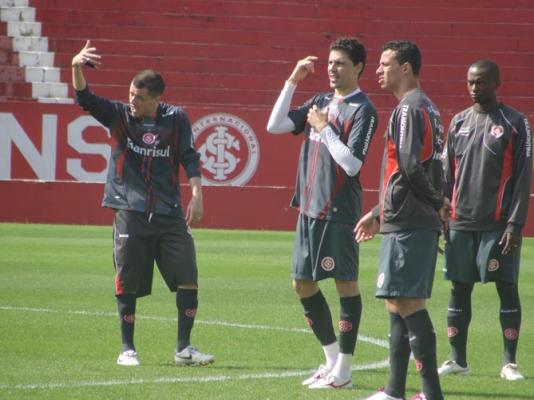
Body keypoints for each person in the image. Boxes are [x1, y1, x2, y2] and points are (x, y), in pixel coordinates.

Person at [71, 40, 214, 367]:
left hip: (169, 212)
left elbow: (189, 156)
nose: (132, 101)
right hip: (129, 210)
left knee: (188, 277)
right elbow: (85, 98)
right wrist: (76, 66)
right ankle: (127, 349)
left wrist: (197, 194)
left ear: (156, 99)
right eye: (130, 94)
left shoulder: (176, 119)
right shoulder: (119, 115)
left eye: (139, 97)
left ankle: (184, 350)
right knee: (128, 281)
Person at [267, 37, 378, 389]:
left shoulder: (363, 110)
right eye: (330, 62)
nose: (332, 68)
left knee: (345, 285)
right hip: (308, 209)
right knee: (301, 283)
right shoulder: (319, 101)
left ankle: (344, 370)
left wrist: (323, 129)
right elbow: (275, 125)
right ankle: (330, 360)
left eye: (340, 63)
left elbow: (352, 164)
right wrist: (292, 81)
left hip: (338, 211)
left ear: (358, 67)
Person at [355, 40, 449, 400]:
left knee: (408, 303)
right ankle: (394, 391)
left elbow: (409, 166)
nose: (378, 70)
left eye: (385, 64)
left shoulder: (409, 108)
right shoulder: (427, 108)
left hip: (410, 220)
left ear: (405, 68)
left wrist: (437, 202)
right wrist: (379, 213)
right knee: (395, 302)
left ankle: (430, 393)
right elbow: (415, 167)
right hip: (406, 217)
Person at [438, 60, 532, 381]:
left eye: (481, 82)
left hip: (498, 224)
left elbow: (523, 177)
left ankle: (509, 363)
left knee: (506, 287)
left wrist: (514, 224)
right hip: (460, 223)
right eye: (470, 82)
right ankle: (458, 360)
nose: (474, 88)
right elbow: (447, 174)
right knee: (459, 287)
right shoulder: (458, 122)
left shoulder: (515, 123)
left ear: (497, 83)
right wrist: (443, 213)